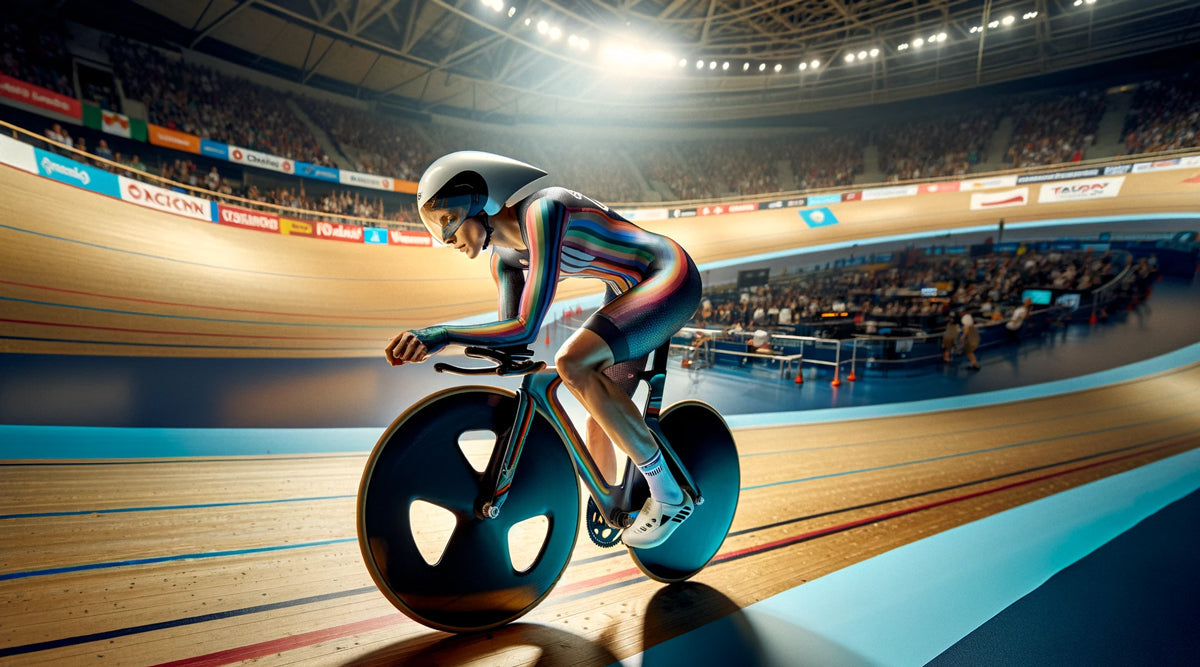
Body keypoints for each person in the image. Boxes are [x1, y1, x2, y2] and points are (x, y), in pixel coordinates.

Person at [386, 151, 702, 549]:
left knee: (573, 362)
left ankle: (670, 496)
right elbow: (514, 339)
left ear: (481, 201)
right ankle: (613, 500)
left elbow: (525, 325)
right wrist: (479, 347)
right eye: (437, 227)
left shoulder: (544, 211)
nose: (446, 238)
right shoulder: (503, 262)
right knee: (596, 418)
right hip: (628, 289)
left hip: (668, 275)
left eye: (448, 220)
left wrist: (442, 335)